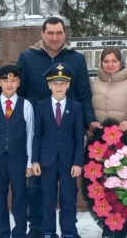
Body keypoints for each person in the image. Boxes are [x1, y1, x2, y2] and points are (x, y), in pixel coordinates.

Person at [17, 17, 99, 238]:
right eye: (50, 32)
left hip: (66, 131)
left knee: (68, 192)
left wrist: (89, 121)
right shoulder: (26, 58)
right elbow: (20, 93)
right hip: (37, 132)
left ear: (65, 34)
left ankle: (68, 229)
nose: (55, 37)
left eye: (59, 33)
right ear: (42, 33)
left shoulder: (76, 59)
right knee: (36, 185)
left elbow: (83, 94)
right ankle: (37, 226)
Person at [31, 63, 84, 238]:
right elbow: (36, 134)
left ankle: (69, 232)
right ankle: (48, 231)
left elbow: (78, 137)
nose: (59, 87)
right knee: (47, 198)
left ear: (68, 85)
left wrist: (78, 162)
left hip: (69, 162)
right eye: (55, 83)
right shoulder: (41, 105)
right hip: (47, 160)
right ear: (49, 85)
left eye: (62, 83)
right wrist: (35, 160)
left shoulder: (75, 107)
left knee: (68, 198)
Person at [0, 65, 35, 238]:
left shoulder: (26, 105)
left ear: (19, 82)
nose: (9, 84)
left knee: (19, 197)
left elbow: (30, 135)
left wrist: (29, 163)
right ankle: (2, 233)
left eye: (13, 81)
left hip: (18, 159)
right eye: (5, 81)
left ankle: (19, 233)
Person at [89, 47, 127, 139]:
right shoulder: (93, 82)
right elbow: (86, 107)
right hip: (99, 140)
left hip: (125, 139)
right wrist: (88, 125)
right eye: (106, 61)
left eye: (114, 61)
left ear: (121, 62)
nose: (110, 64)